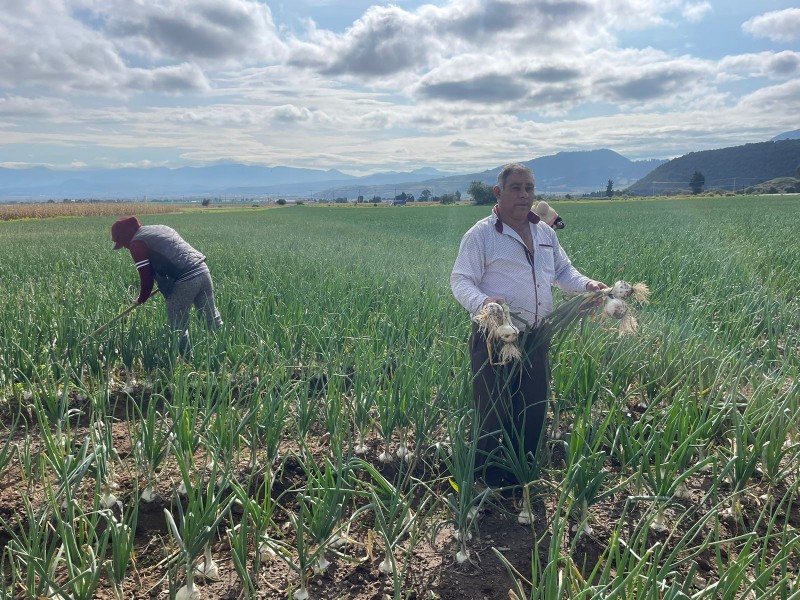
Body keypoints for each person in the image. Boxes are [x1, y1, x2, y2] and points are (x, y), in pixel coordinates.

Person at [450, 163, 606, 486]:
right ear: (499, 192)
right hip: (496, 336)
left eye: (529, 188)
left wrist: (588, 285)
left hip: (536, 336)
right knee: (492, 412)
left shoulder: (545, 233)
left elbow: (564, 273)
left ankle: (524, 477)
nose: (524, 195)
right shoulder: (481, 235)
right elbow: (460, 280)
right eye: (516, 188)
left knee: (533, 410)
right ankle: (488, 485)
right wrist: (484, 303)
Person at [111, 216, 222, 357]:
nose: (124, 247)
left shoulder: (137, 244)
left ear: (124, 237)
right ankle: (221, 354)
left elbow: (146, 278)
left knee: (178, 327)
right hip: (202, 270)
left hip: (183, 281)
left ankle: (187, 361)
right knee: (211, 318)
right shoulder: (160, 228)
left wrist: (141, 298)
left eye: (121, 243)